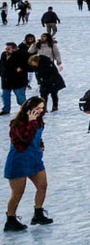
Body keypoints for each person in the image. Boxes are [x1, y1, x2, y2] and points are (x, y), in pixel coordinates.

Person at [5, 97, 52, 232]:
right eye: (37, 108)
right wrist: (30, 123)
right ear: (29, 108)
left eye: (42, 108)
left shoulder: (39, 122)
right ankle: (11, 219)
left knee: (42, 186)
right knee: (18, 193)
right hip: (19, 162)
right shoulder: (16, 123)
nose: (40, 111)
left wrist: (40, 145)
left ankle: (38, 213)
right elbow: (24, 139)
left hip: (34, 159)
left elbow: (36, 138)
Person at [0, 43, 27, 116]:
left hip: (18, 80)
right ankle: (6, 109)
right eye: (6, 48)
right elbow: (1, 65)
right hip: (5, 80)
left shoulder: (20, 55)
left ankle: (26, 109)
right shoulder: (3, 55)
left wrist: (21, 68)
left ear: (14, 49)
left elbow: (25, 65)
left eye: (8, 49)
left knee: (20, 98)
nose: (6, 50)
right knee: (5, 96)